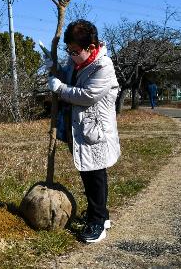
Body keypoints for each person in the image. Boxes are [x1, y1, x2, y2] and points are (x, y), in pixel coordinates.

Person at [47, 20, 121, 244]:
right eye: (68, 50)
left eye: (75, 51)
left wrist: (59, 89)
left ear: (91, 47)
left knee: (96, 175)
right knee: (88, 174)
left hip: (95, 131)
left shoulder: (103, 66)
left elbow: (87, 96)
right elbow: (66, 76)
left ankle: (98, 222)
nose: (71, 55)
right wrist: (55, 70)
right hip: (78, 130)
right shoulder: (76, 63)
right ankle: (100, 213)